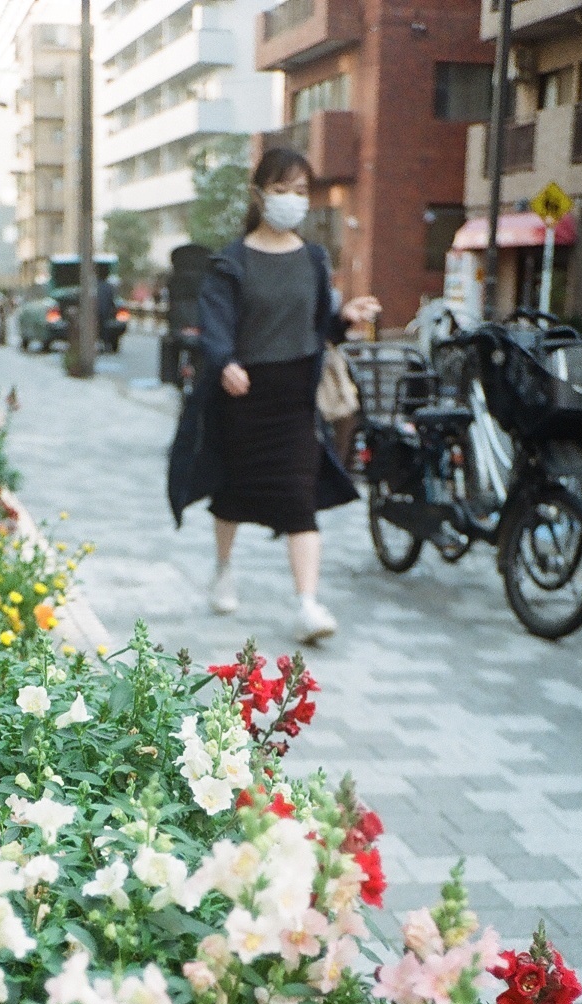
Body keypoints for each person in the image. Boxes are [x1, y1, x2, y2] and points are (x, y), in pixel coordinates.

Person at [167, 147, 380, 643]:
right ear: (259, 194)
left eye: (301, 191)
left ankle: (306, 604)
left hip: (295, 400)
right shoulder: (231, 262)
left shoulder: (313, 258)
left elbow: (318, 326)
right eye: (281, 190)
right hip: (243, 398)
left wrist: (346, 318)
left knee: (298, 496)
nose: (292, 201)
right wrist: (226, 364)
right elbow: (215, 329)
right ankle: (223, 569)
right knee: (233, 494)